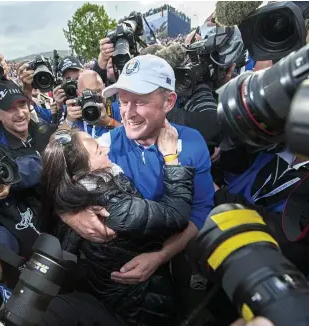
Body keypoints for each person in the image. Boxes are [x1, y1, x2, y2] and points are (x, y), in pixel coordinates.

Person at [59, 55, 214, 301]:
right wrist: (71, 215)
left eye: (140, 102)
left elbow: (202, 208)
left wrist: (162, 256)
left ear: (169, 101)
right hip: (117, 279)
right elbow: (53, 180)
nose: (128, 113)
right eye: (123, 101)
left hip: (176, 263)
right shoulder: (105, 146)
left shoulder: (192, 143)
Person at [42, 128, 195, 325]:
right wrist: (171, 157)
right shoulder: (113, 208)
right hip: (140, 304)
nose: (105, 148)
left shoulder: (75, 195)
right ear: (79, 175)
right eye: (97, 150)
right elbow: (178, 214)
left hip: (113, 294)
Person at [0, 80, 54, 256]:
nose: (20, 114)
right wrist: (9, 179)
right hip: (36, 234)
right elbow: (0, 190)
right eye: (11, 109)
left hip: (63, 215)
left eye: (22, 105)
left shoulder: (44, 130)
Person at [59, 70, 122, 138]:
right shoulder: (74, 113)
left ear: (104, 87)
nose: (94, 97)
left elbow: (132, 139)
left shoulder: (118, 109)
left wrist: (108, 122)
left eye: (98, 91)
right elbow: (56, 144)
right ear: (78, 93)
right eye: (88, 93)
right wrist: (69, 121)